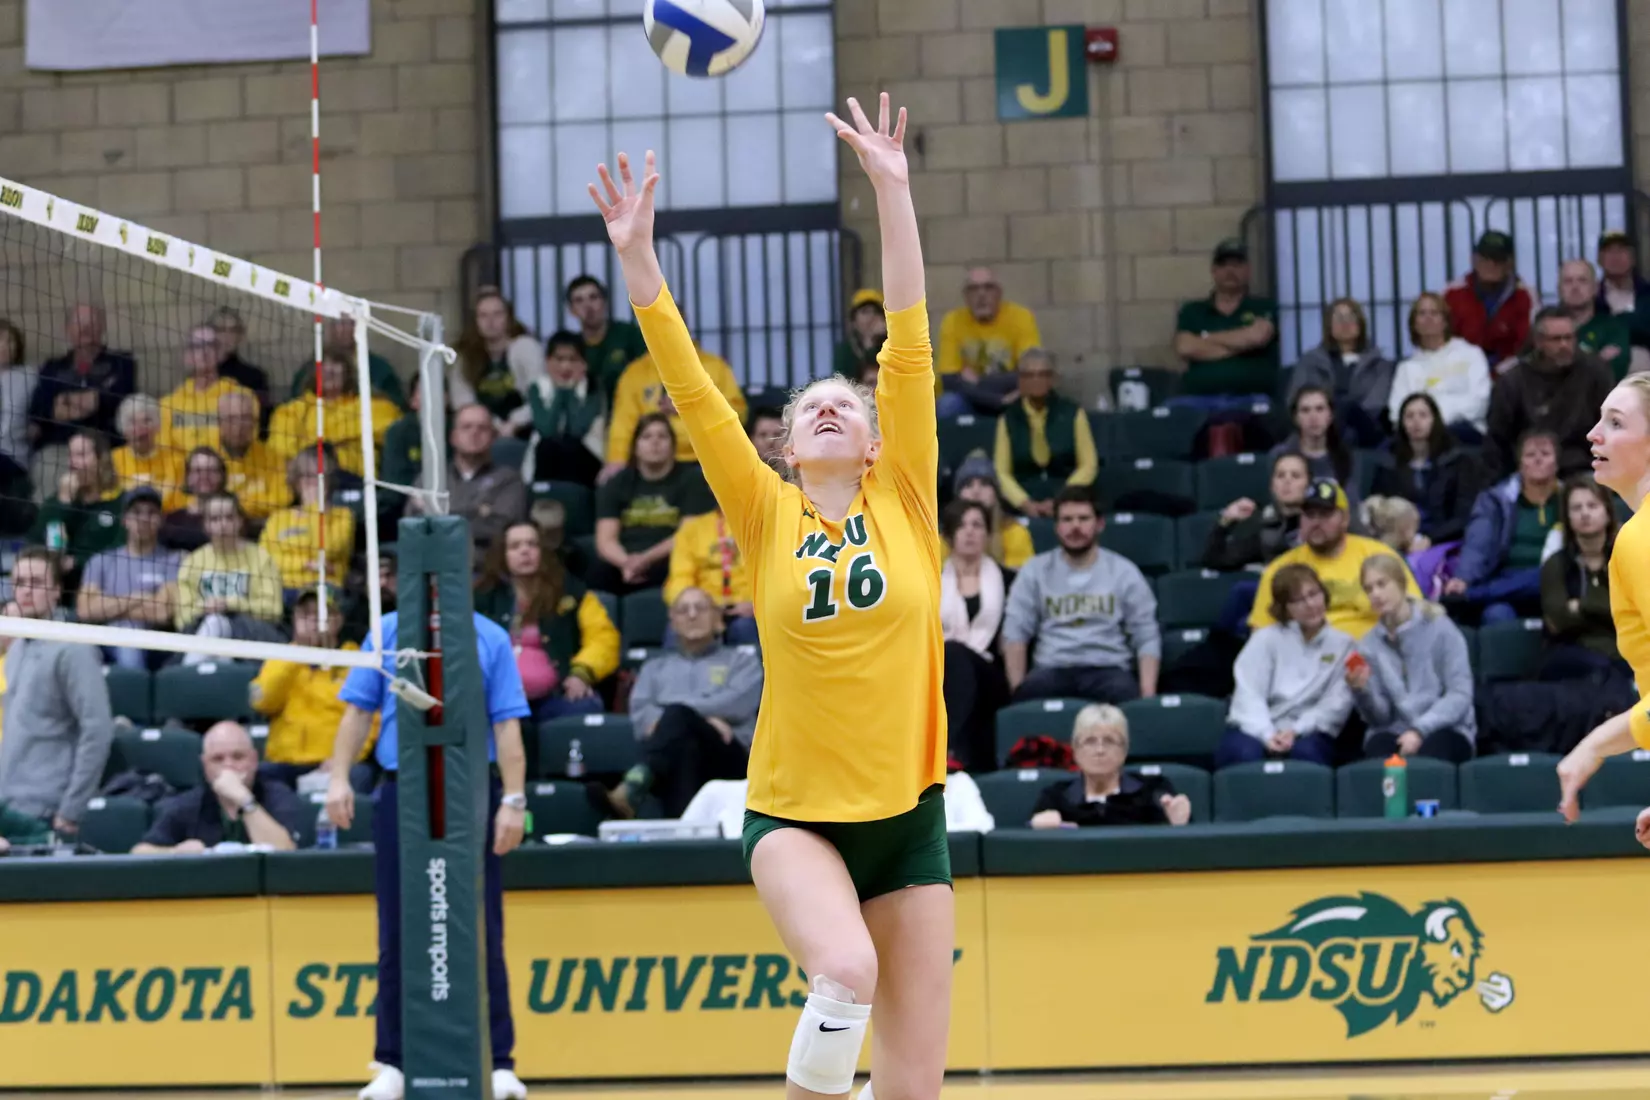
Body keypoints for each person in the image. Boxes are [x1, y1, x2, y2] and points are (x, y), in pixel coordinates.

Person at [592, 94, 952, 1100]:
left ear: (877, 439)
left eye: (848, 398)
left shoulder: (908, 496)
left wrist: (892, 187)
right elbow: (694, 395)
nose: (831, 401)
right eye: (809, 406)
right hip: (797, 815)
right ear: (786, 448)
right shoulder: (763, 512)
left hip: (910, 816)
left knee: (914, 1086)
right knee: (843, 973)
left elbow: (910, 340)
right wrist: (640, 263)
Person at [326, 608, 531, 1100]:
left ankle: (499, 1061)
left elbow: (506, 724)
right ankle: (392, 1062)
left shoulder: (490, 636)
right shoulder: (389, 631)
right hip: (403, 789)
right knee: (396, 928)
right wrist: (336, 778)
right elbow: (358, 710)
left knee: (483, 925)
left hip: (470, 790)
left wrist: (515, 800)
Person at [1557, 375, 1650, 840]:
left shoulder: (1640, 537)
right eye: (1598, 420)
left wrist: (1592, 747)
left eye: (1615, 423)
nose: (1594, 434)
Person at [606, 586, 764, 818]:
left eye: (700, 608)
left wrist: (681, 714)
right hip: (676, 759)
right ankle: (685, 834)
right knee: (684, 743)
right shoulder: (654, 669)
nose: (692, 615)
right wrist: (700, 719)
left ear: (719, 619)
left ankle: (637, 782)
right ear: (673, 622)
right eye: (683, 610)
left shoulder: (742, 662)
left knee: (678, 720)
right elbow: (641, 716)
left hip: (728, 756)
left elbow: (737, 705)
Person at [1001, 486, 1160, 705]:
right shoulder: (1034, 571)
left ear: (1100, 524)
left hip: (1108, 670)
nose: (1075, 526)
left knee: (1127, 699)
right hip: (1052, 669)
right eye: (1067, 519)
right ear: (1056, 527)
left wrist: (1147, 695)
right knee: (1027, 699)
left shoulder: (1124, 572)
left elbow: (1146, 635)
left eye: (1083, 518)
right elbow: (1015, 632)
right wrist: (1017, 690)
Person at [0, 547, 112, 839]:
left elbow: (98, 730)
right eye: (20, 583)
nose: (26, 591)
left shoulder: (73, 648)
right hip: (8, 806)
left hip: (49, 811)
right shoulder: (16, 649)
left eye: (36, 583)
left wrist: (71, 809)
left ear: (56, 591)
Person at [473, 521, 618, 721]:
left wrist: (581, 673)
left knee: (585, 706)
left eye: (532, 544)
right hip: (499, 698)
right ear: (502, 555)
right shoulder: (483, 596)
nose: (525, 551)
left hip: (556, 696)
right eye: (515, 546)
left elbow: (603, 638)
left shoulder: (572, 593)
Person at [1249, 478, 1423, 637]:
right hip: (1309, 661)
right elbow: (1261, 635)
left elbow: (1415, 614)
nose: (1316, 522)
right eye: (1310, 515)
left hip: (1376, 655)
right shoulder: (1281, 569)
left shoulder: (1378, 555)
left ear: (1345, 519)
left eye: (1325, 514)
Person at [1218, 563, 1353, 768]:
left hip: (1309, 729)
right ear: (1286, 609)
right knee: (1242, 753)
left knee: (1307, 753)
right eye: (1298, 601)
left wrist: (1296, 730)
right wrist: (1267, 733)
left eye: (1314, 594)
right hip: (1259, 725)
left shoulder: (1345, 644)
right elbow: (1249, 694)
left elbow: (1335, 703)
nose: (1310, 604)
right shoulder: (1265, 639)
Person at [1347, 554, 1476, 763]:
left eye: (1381, 584)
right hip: (1395, 730)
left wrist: (1419, 730)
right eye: (1369, 589)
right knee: (1378, 752)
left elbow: (1460, 694)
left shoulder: (1440, 628)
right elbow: (1380, 718)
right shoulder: (1368, 645)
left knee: (1432, 756)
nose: (1376, 594)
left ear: (1401, 583)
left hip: (1445, 726)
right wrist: (1362, 692)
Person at [250, 588, 378, 794]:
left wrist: (344, 759)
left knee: (359, 775)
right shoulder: (282, 656)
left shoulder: (355, 659)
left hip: (333, 761)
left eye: (319, 614)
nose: (311, 621)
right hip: (285, 762)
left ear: (338, 619)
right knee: (260, 776)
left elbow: (370, 718)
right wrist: (297, 651)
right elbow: (262, 701)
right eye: (304, 614)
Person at [132, 721, 305, 854]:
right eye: (218, 759)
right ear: (205, 765)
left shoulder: (278, 795)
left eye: (238, 757)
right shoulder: (189, 804)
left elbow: (284, 852)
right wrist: (174, 852)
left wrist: (245, 801)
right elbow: (140, 852)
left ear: (253, 760)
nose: (228, 766)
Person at [1482, 308, 1614, 480]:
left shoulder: (1596, 373)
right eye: (1556, 339)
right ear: (1538, 342)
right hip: (1528, 473)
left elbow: (1613, 428)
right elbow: (1497, 441)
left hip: (1585, 470)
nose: (1564, 345)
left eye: (1569, 337)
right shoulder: (1513, 382)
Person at [590, 413, 711, 595]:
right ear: (635, 446)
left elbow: (687, 535)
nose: (655, 442)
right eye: (647, 436)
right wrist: (627, 562)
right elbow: (605, 541)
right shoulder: (616, 483)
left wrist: (644, 559)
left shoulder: (692, 481)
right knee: (598, 574)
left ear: (673, 445)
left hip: (669, 557)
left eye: (662, 436)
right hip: (624, 560)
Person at [1028, 705, 1191, 828]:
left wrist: (1180, 825)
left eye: (1109, 741)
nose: (1099, 750)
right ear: (1075, 750)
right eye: (1090, 741)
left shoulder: (1152, 791)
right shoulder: (1055, 798)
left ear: (1125, 749)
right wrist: (1037, 827)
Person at [76, 487, 183, 669]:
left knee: (129, 633)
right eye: (136, 513)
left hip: (156, 643)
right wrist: (139, 597)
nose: (143, 519)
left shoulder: (174, 560)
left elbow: (163, 612)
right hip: (105, 641)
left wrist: (107, 606)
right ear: (125, 520)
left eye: (151, 513)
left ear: (161, 520)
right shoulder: (101, 560)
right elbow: (85, 610)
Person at [173, 492, 287, 658]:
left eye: (229, 517)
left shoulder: (261, 558)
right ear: (206, 525)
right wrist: (205, 608)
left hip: (252, 637)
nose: (223, 524)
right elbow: (182, 618)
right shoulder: (193, 562)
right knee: (214, 625)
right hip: (204, 632)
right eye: (215, 519)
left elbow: (274, 611)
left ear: (240, 521)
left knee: (217, 623)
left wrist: (230, 605)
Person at [939, 499, 1008, 772]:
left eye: (977, 525)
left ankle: (953, 749)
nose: (969, 532)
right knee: (952, 655)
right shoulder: (929, 580)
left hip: (990, 673)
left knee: (954, 651)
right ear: (949, 535)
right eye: (962, 525)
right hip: (941, 671)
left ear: (988, 535)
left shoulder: (1008, 579)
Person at [991, 348, 1097, 516]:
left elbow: (1089, 465)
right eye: (1029, 375)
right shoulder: (1008, 419)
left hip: (1068, 501)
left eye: (1043, 374)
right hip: (1022, 505)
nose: (1037, 380)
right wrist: (1025, 503)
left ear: (1052, 379)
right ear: (1020, 381)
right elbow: (1001, 472)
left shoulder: (1073, 413)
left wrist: (1062, 499)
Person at [1369, 393, 1482, 548]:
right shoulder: (1389, 462)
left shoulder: (1457, 461)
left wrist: (1430, 539)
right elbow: (1378, 508)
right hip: (1398, 541)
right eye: (1409, 416)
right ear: (1401, 423)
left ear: (1434, 420)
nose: (1416, 421)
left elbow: (1463, 516)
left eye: (1423, 415)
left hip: (1444, 541)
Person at [1285, 297, 1395, 445]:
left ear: (1360, 324)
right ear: (1328, 326)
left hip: (1365, 432)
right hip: (1318, 429)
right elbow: (1296, 399)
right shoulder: (1310, 362)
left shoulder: (1379, 364)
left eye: (1350, 317)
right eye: (1338, 318)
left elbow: (1376, 405)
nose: (1345, 323)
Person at [1387, 292, 1492, 440]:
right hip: (1419, 439)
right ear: (1414, 324)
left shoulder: (1471, 354)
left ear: (1445, 321)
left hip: (1465, 433)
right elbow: (1396, 412)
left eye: (1434, 313)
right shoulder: (1406, 368)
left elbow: (1479, 402)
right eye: (1422, 313)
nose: (1428, 318)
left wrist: (1432, 419)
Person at [449, 286, 545, 438]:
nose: (491, 321)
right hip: (482, 431)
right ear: (475, 321)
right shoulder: (466, 357)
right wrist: (493, 424)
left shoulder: (525, 347)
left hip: (527, 429)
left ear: (508, 317)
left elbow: (542, 396)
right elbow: (462, 402)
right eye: (483, 315)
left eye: (497, 314)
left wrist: (514, 423)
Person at [27, 429, 124, 580]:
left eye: (81, 455)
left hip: (103, 584)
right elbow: (37, 543)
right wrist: (63, 503)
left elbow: (122, 551)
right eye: (71, 456)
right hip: (58, 585)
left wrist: (78, 562)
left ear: (102, 460)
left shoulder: (119, 502)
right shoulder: (56, 501)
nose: (73, 463)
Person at [260, 449, 356, 593]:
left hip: (324, 586)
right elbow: (265, 558)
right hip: (283, 588)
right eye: (308, 476)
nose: (315, 483)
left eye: (321, 476)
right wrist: (306, 564)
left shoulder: (343, 516)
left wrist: (315, 508)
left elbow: (327, 550)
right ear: (296, 481)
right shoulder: (278, 518)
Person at [524, 329, 605, 487]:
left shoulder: (594, 389)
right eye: (559, 359)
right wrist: (561, 392)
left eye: (573, 359)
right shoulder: (537, 388)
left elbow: (577, 429)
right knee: (548, 446)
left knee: (571, 447)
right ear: (547, 361)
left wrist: (568, 391)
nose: (565, 366)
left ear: (584, 364)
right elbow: (546, 429)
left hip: (586, 455)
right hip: (547, 456)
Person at [1202, 451, 1308, 571]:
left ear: (1308, 485)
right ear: (1272, 486)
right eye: (1280, 475)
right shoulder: (1263, 527)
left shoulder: (1320, 522)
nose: (1287, 481)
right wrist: (1226, 519)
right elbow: (1214, 559)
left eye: (1295, 475)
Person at [951, 453, 1034, 570]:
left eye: (984, 484)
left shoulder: (1016, 532)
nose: (976, 491)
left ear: (996, 494)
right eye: (968, 485)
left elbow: (1021, 580)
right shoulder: (944, 539)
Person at [160, 446, 231, 552]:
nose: (204, 476)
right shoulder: (172, 521)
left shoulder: (233, 517)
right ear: (188, 477)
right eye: (198, 471)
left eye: (211, 470)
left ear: (222, 476)